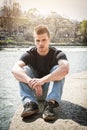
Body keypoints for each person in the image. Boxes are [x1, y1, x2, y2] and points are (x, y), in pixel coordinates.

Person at [12, 25, 69, 121]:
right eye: (38, 40)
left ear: (49, 40)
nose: (41, 43)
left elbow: (65, 69)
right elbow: (14, 69)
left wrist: (42, 80)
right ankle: (30, 104)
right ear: (34, 41)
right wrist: (30, 81)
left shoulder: (58, 53)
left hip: (50, 93)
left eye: (44, 40)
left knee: (58, 69)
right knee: (23, 70)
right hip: (34, 91)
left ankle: (50, 105)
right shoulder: (30, 53)